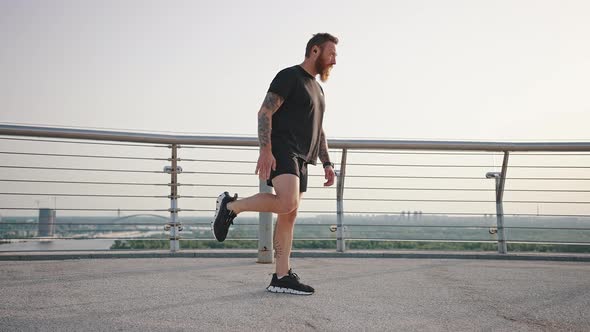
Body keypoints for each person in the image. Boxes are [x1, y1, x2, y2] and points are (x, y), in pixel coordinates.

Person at [212, 33, 338, 295]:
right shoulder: (289, 76)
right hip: (283, 148)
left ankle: (281, 276)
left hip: (304, 156)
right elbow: (265, 111)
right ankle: (231, 206)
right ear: (315, 51)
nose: (334, 60)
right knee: (287, 202)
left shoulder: (318, 88)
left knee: (288, 215)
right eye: (331, 54)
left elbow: (319, 129)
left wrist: (326, 162)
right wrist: (266, 149)